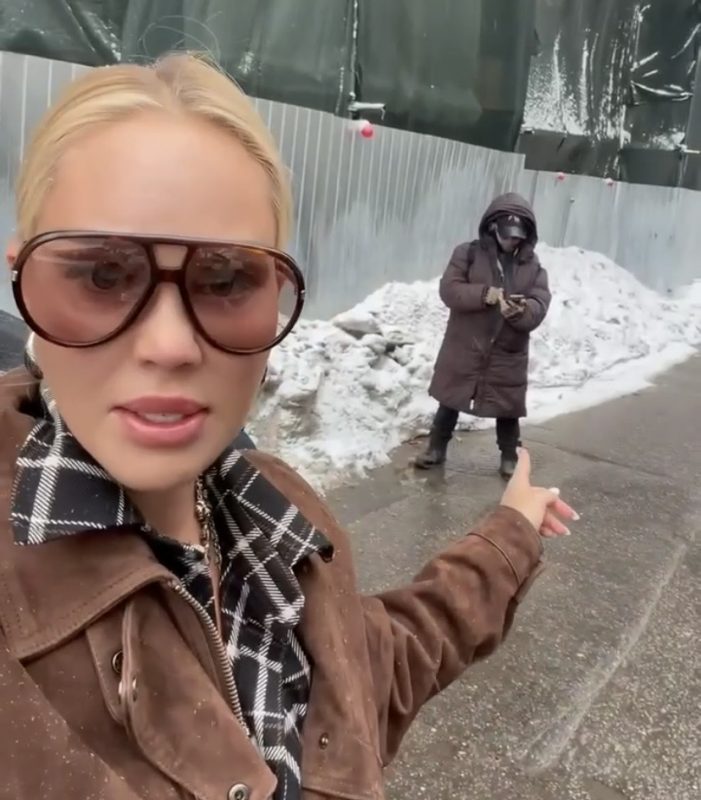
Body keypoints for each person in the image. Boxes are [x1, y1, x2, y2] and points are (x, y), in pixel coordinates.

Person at [0, 55, 575, 800]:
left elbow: (372, 671)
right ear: (22, 276)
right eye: (103, 276)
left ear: (272, 294)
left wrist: (509, 535)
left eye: (224, 280)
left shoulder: (280, 524)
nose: (169, 345)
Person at [415, 193, 551, 479]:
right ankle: (436, 448)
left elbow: (540, 304)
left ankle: (509, 456)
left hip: (507, 347)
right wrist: (483, 294)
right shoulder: (467, 254)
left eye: (518, 237)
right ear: (492, 227)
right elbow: (449, 290)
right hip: (466, 343)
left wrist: (521, 311)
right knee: (451, 398)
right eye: (507, 235)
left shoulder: (533, 267)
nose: (512, 241)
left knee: (508, 405)